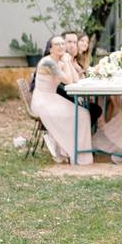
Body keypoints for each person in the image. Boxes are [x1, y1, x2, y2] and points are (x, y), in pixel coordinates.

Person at [30, 36, 93, 165]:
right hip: (42, 100)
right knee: (80, 115)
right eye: (56, 44)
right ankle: (66, 148)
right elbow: (69, 81)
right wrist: (66, 61)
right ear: (50, 48)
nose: (60, 46)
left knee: (83, 113)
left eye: (62, 44)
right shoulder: (48, 63)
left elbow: (76, 80)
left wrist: (68, 62)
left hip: (52, 98)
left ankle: (72, 149)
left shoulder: (59, 62)